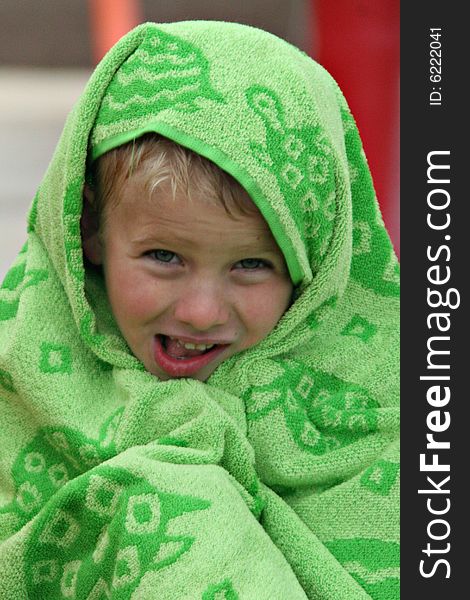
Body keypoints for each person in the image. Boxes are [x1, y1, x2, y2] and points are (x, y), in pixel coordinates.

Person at [0, 21, 399, 599]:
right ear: (87, 230)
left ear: (319, 265)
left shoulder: (381, 402)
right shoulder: (25, 364)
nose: (201, 311)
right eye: (164, 256)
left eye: (251, 266)